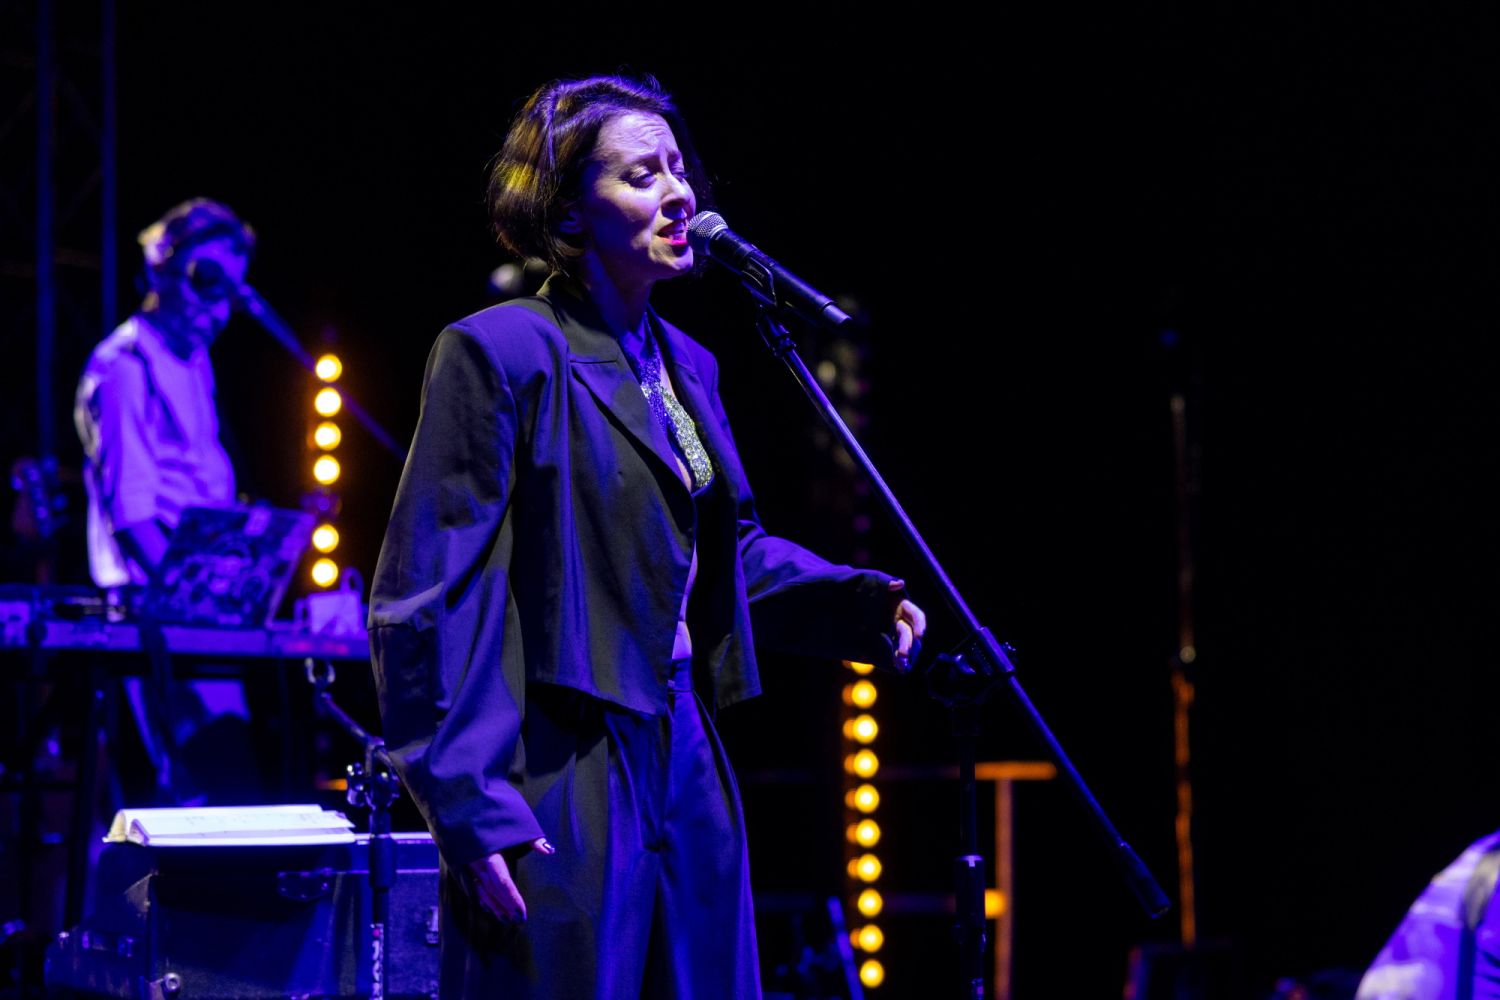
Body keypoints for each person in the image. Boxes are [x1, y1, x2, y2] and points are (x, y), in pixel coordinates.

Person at [369, 74, 926, 998]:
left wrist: (856, 602)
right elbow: (429, 592)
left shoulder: (688, 365)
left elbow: (721, 555)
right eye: (640, 175)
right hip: (562, 752)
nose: (678, 193)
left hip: (683, 738)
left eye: (677, 169)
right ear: (568, 211)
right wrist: (467, 803)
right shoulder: (502, 349)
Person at [74, 198, 258, 804]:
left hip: (197, 610)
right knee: (200, 794)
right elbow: (131, 515)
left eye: (230, 291)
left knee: (223, 786)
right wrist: (200, 600)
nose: (218, 307)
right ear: (160, 269)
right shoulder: (123, 367)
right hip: (155, 611)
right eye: (205, 281)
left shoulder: (194, 360)